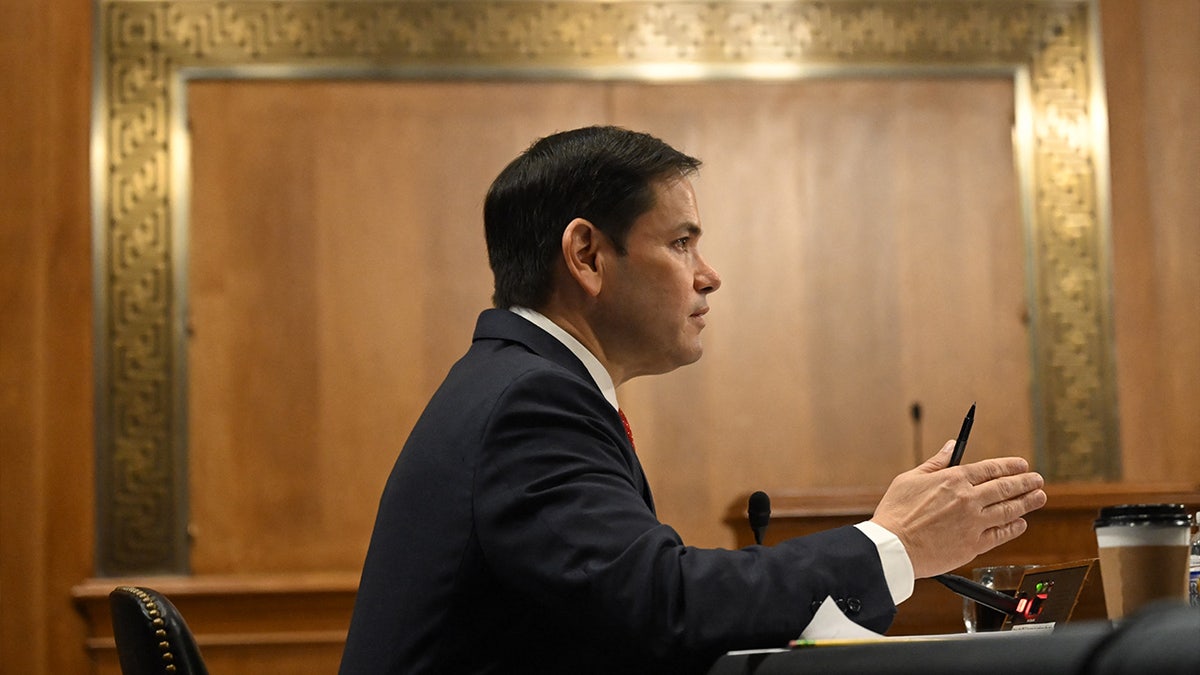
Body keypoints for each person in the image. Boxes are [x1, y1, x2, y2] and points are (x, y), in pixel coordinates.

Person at [339, 125, 1047, 674]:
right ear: (586, 256)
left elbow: (630, 631)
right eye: (681, 243)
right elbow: (663, 606)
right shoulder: (531, 401)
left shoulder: (518, 383)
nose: (709, 276)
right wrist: (893, 544)